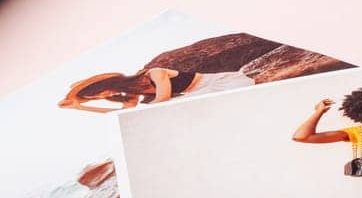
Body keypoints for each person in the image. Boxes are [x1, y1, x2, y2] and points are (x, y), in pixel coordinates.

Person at [58, 66, 255, 112]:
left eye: (102, 91)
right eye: (97, 97)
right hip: (198, 94)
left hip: (218, 83)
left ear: (107, 84)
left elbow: (164, 99)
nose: (104, 96)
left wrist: (146, 107)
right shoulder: (132, 94)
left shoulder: (154, 73)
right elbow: (121, 114)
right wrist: (80, 107)